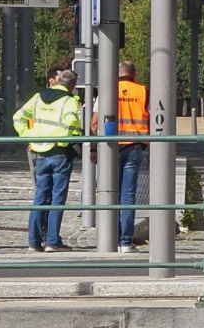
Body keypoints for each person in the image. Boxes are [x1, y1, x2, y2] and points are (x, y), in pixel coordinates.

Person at [13, 67, 82, 252]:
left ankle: (34, 242)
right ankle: (52, 241)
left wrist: (28, 135)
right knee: (57, 198)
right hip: (59, 152)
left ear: (58, 81)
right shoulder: (69, 101)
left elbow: (18, 116)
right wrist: (65, 140)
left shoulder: (38, 97)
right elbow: (71, 122)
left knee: (40, 197)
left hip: (40, 151)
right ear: (72, 85)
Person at [94, 61, 150, 253]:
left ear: (117, 73)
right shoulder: (143, 91)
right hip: (134, 146)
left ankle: (110, 238)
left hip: (110, 148)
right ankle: (125, 242)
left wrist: (94, 148)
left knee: (110, 192)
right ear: (134, 74)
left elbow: (94, 123)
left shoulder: (107, 91)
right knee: (128, 194)